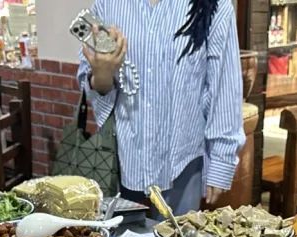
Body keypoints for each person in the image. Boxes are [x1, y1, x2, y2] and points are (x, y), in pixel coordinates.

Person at [78, 0, 245, 214]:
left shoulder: (214, 6)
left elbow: (224, 87)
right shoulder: (108, 4)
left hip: (182, 165)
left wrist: (222, 161)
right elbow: (93, 84)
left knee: (178, 235)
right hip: (124, 161)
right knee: (123, 236)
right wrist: (103, 72)